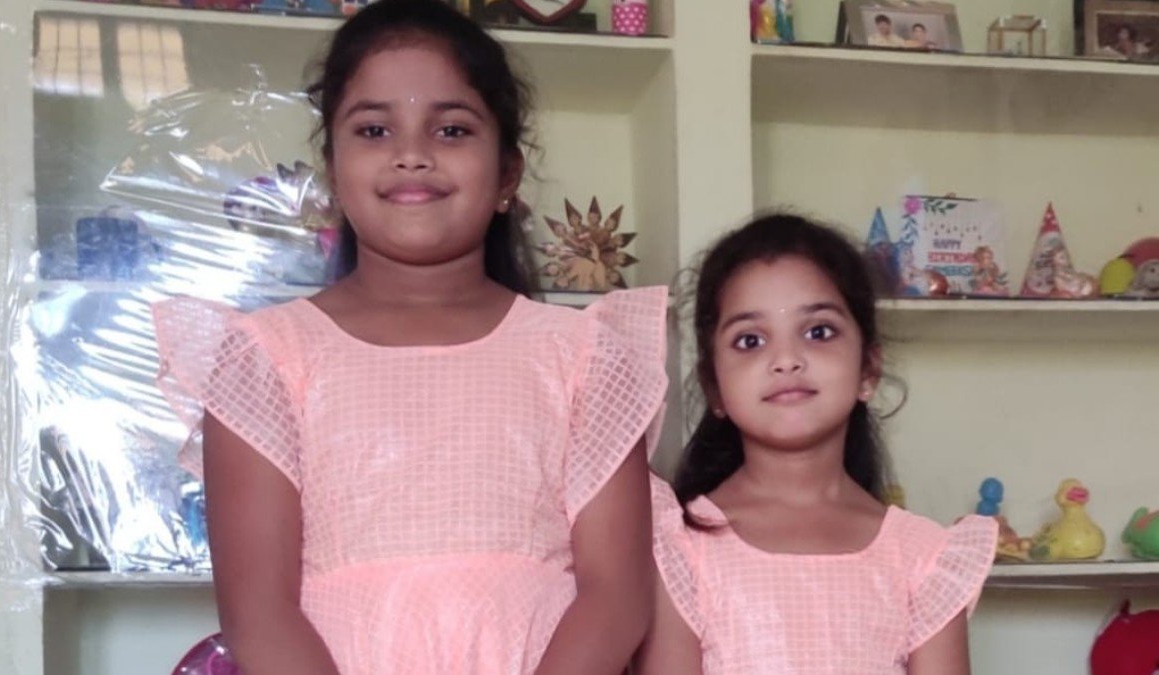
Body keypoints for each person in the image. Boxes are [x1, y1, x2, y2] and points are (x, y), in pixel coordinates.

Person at [151, 1, 668, 673]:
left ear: (507, 175)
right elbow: (259, 615)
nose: (412, 155)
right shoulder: (266, 358)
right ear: (333, 172)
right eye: (374, 129)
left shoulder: (585, 356)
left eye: (451, 129)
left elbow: (616, 597)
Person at [635, 214, 997, 674]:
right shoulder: (680, 547)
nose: (786, 359)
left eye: (818, 332)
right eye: (750, 340)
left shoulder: (925, 558)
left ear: (868, 370)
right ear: (715, 388)